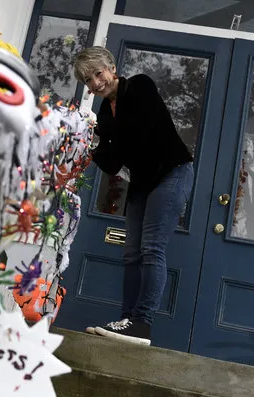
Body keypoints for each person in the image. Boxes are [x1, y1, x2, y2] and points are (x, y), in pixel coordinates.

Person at [74, 46, 194, 346]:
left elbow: (140, 132)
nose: (95, 83)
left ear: (111, 67)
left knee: (152, 248)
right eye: (88, 80)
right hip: (142, 182)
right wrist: (90, 145)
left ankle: (142, 324)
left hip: (171, 172)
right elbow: (113, 163)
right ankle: (126, 321)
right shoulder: (104, 112)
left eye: (97, 74)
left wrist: (102, 136)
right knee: (131, 253)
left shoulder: (139, 85)